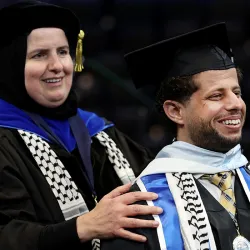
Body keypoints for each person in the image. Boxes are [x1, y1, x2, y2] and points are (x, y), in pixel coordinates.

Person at [0, 1, 164, 250]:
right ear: (9, 64)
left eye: (63, 52)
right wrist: (83, 226)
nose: (57, 65)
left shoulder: (97, 131)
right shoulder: (4, 139)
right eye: (39, 55)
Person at [101, 23, 250, 250]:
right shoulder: (141, 208)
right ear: (176, 111)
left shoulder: (246, 178)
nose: (235, 104)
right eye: (216, 96)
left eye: (237, 92)